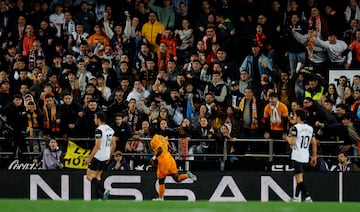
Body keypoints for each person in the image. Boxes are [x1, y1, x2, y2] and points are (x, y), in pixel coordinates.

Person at [149, 134, 197, 201]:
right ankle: (187, 175)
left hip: (163, 160)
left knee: (161, 181)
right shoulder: (162, 137)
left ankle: (160, 198)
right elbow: (169, 147)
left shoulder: (154, 140)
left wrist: (153, 158)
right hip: (170, 158)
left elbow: (160, 150)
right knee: (177, 178)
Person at [84, 111, 117, 200]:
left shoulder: (99, 130)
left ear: (98, 119)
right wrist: (109, 156)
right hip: (106, 156)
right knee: (97, 177)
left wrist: (89, 158)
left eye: (95, 118)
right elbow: (113, 144)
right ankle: (100, 198)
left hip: (98, 156)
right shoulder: (110, 129)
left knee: (89, 176)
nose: (94, 120)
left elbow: (97, 145)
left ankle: (104, 190)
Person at [286, 109, 317, 202]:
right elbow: (314, 143)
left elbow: (292, 142)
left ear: (298, 117)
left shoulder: (294, 128)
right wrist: (314, 156)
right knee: (299, 177)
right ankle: (295, 197)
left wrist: (287, 137)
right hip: (305, 155)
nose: (293, 117)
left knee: (299, 179)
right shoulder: (310, 128)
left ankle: (308, 197)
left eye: (295, 115)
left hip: (297, 156)